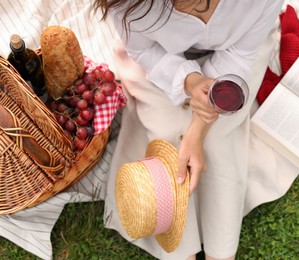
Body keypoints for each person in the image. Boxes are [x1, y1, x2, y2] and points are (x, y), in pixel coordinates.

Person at [93, 0, 285, 259]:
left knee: (218, 141)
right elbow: (145, 51)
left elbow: (239, 56)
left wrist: (198, 129)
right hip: (160, 63)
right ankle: (180, 250)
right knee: (167, 135)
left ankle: (222, 251)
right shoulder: (127, 4)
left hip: (234, 62)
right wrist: (190, 81)